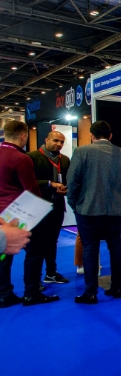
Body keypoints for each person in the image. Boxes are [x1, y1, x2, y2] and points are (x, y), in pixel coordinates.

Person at [68, 121, 121, 304]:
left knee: (90, 248)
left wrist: (74, 203)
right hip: (115, 208)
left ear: (91, 135)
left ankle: (90, 292)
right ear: (110, 135)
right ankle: (117, 287)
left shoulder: (82, 151)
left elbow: (72, 181)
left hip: (88, 208)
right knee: (116, 246)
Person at [0, 120, 60, 308]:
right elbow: (32, 190)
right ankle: (31, 293)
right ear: (23, 136)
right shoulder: (21, 159)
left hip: (2, 215)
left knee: (3, 255)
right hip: (21, 214)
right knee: (34, 253)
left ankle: (4, 294)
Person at [27, 130, 70, 285]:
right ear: (46, 140)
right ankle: (34, 280)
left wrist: (65, 188)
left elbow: (67, 181)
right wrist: (50, 184)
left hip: (57, 206)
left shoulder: (64, 160)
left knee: (52, 242)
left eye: (61, 142)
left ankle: (51, 273)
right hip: (37, 207)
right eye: (55, 140)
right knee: (35, 245)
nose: (58, 144)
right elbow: (28, 183)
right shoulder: (31, 157)